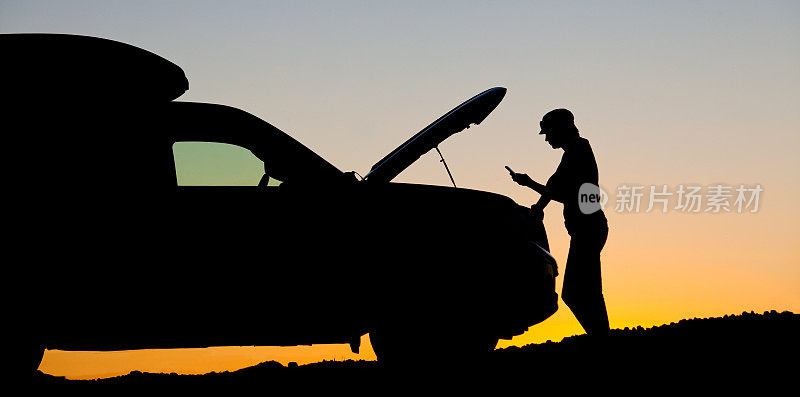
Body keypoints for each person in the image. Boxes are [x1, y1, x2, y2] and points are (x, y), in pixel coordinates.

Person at [510, 108, 610, 336]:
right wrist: (533, 192)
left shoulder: (578, 150)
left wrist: (535, 198)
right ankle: (602, 336)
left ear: (561, 129)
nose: (546, 138)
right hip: (587, 228)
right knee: (585, 291)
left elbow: (558, 189)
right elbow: (559, 190)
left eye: (548, 133)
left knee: (577, 293)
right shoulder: (575, 151)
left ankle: (602, 337)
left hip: (588, 228)